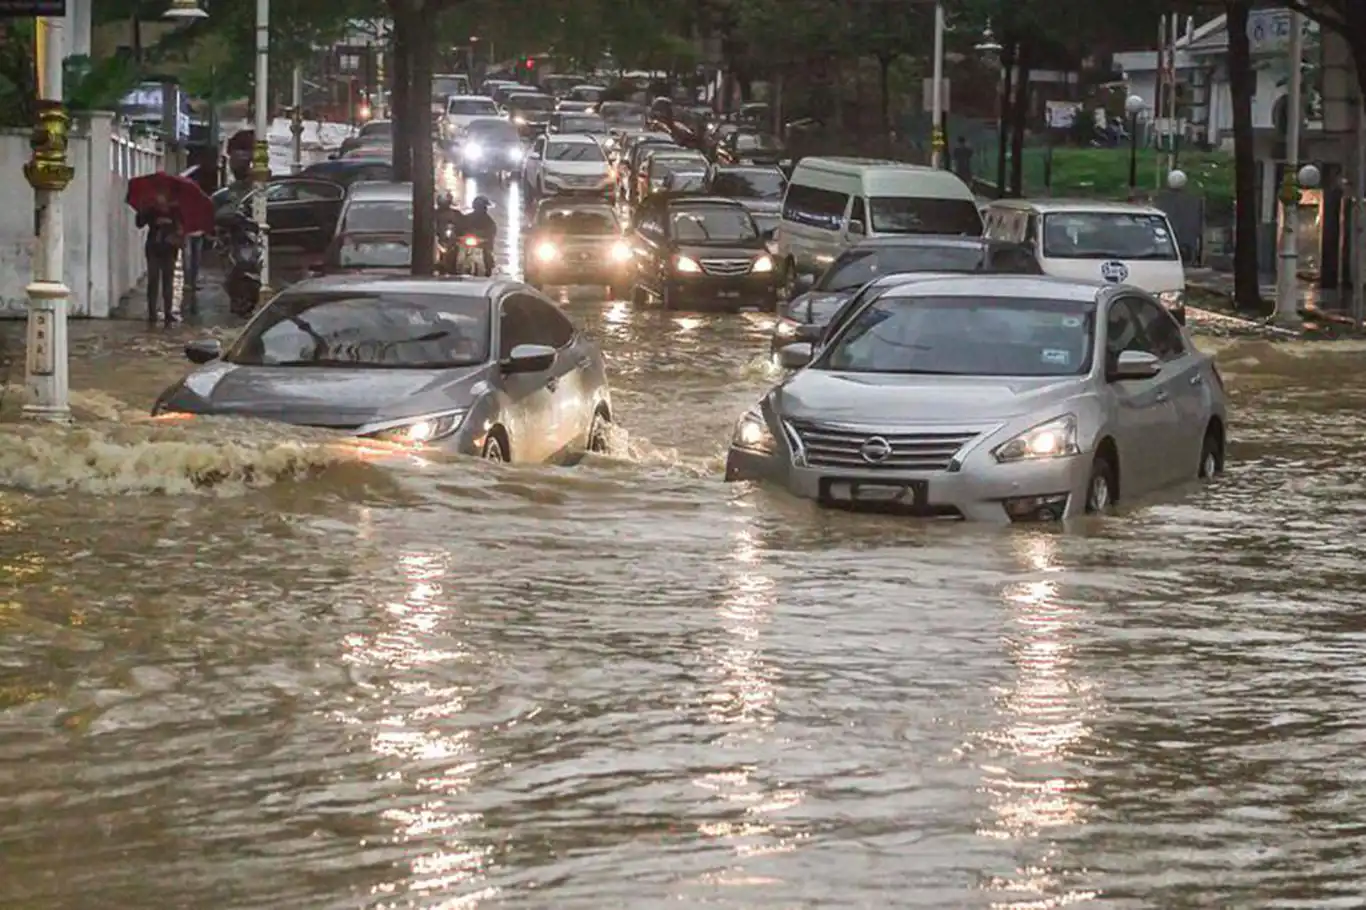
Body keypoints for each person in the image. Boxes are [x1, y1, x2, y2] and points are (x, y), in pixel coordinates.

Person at [135, 190, 183, 326]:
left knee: (168, 280)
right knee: (153, 279)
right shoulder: (151, 210)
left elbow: (181, 228)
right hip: (153, 248)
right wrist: (143, 211)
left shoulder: (175, 210)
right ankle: (152, 313)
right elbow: (139, 223)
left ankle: (168, 312)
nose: (161, 199)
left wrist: (171, 226)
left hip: (169, 249)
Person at [465, 195, 497, 273]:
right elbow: (460, 228)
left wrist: (487, 239)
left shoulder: (489, 221)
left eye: (482, 207)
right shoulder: (466, 218)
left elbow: (492, 233)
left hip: (482, 244)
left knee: (488, 254)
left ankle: (489, 268)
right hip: (466, 244)